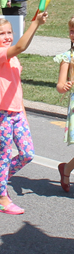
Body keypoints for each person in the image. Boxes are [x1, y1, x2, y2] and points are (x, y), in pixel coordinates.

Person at [0, 13, 48, 215]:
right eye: (1, 33)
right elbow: (20, 46)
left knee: (27, 154)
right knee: (4, 155)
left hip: (16, 112)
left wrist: (24, 114)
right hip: (0, 112)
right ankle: (1, 199)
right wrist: (35, 23)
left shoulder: (13, 58)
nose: (6, 36)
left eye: (9, 32)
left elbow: (16, 88)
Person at [54, 16, 74, 192]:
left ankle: (66, 168)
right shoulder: (67, 57)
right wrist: (64, 86)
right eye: (71, 31)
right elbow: (60, 86)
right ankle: (66, 169)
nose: (73, 34)